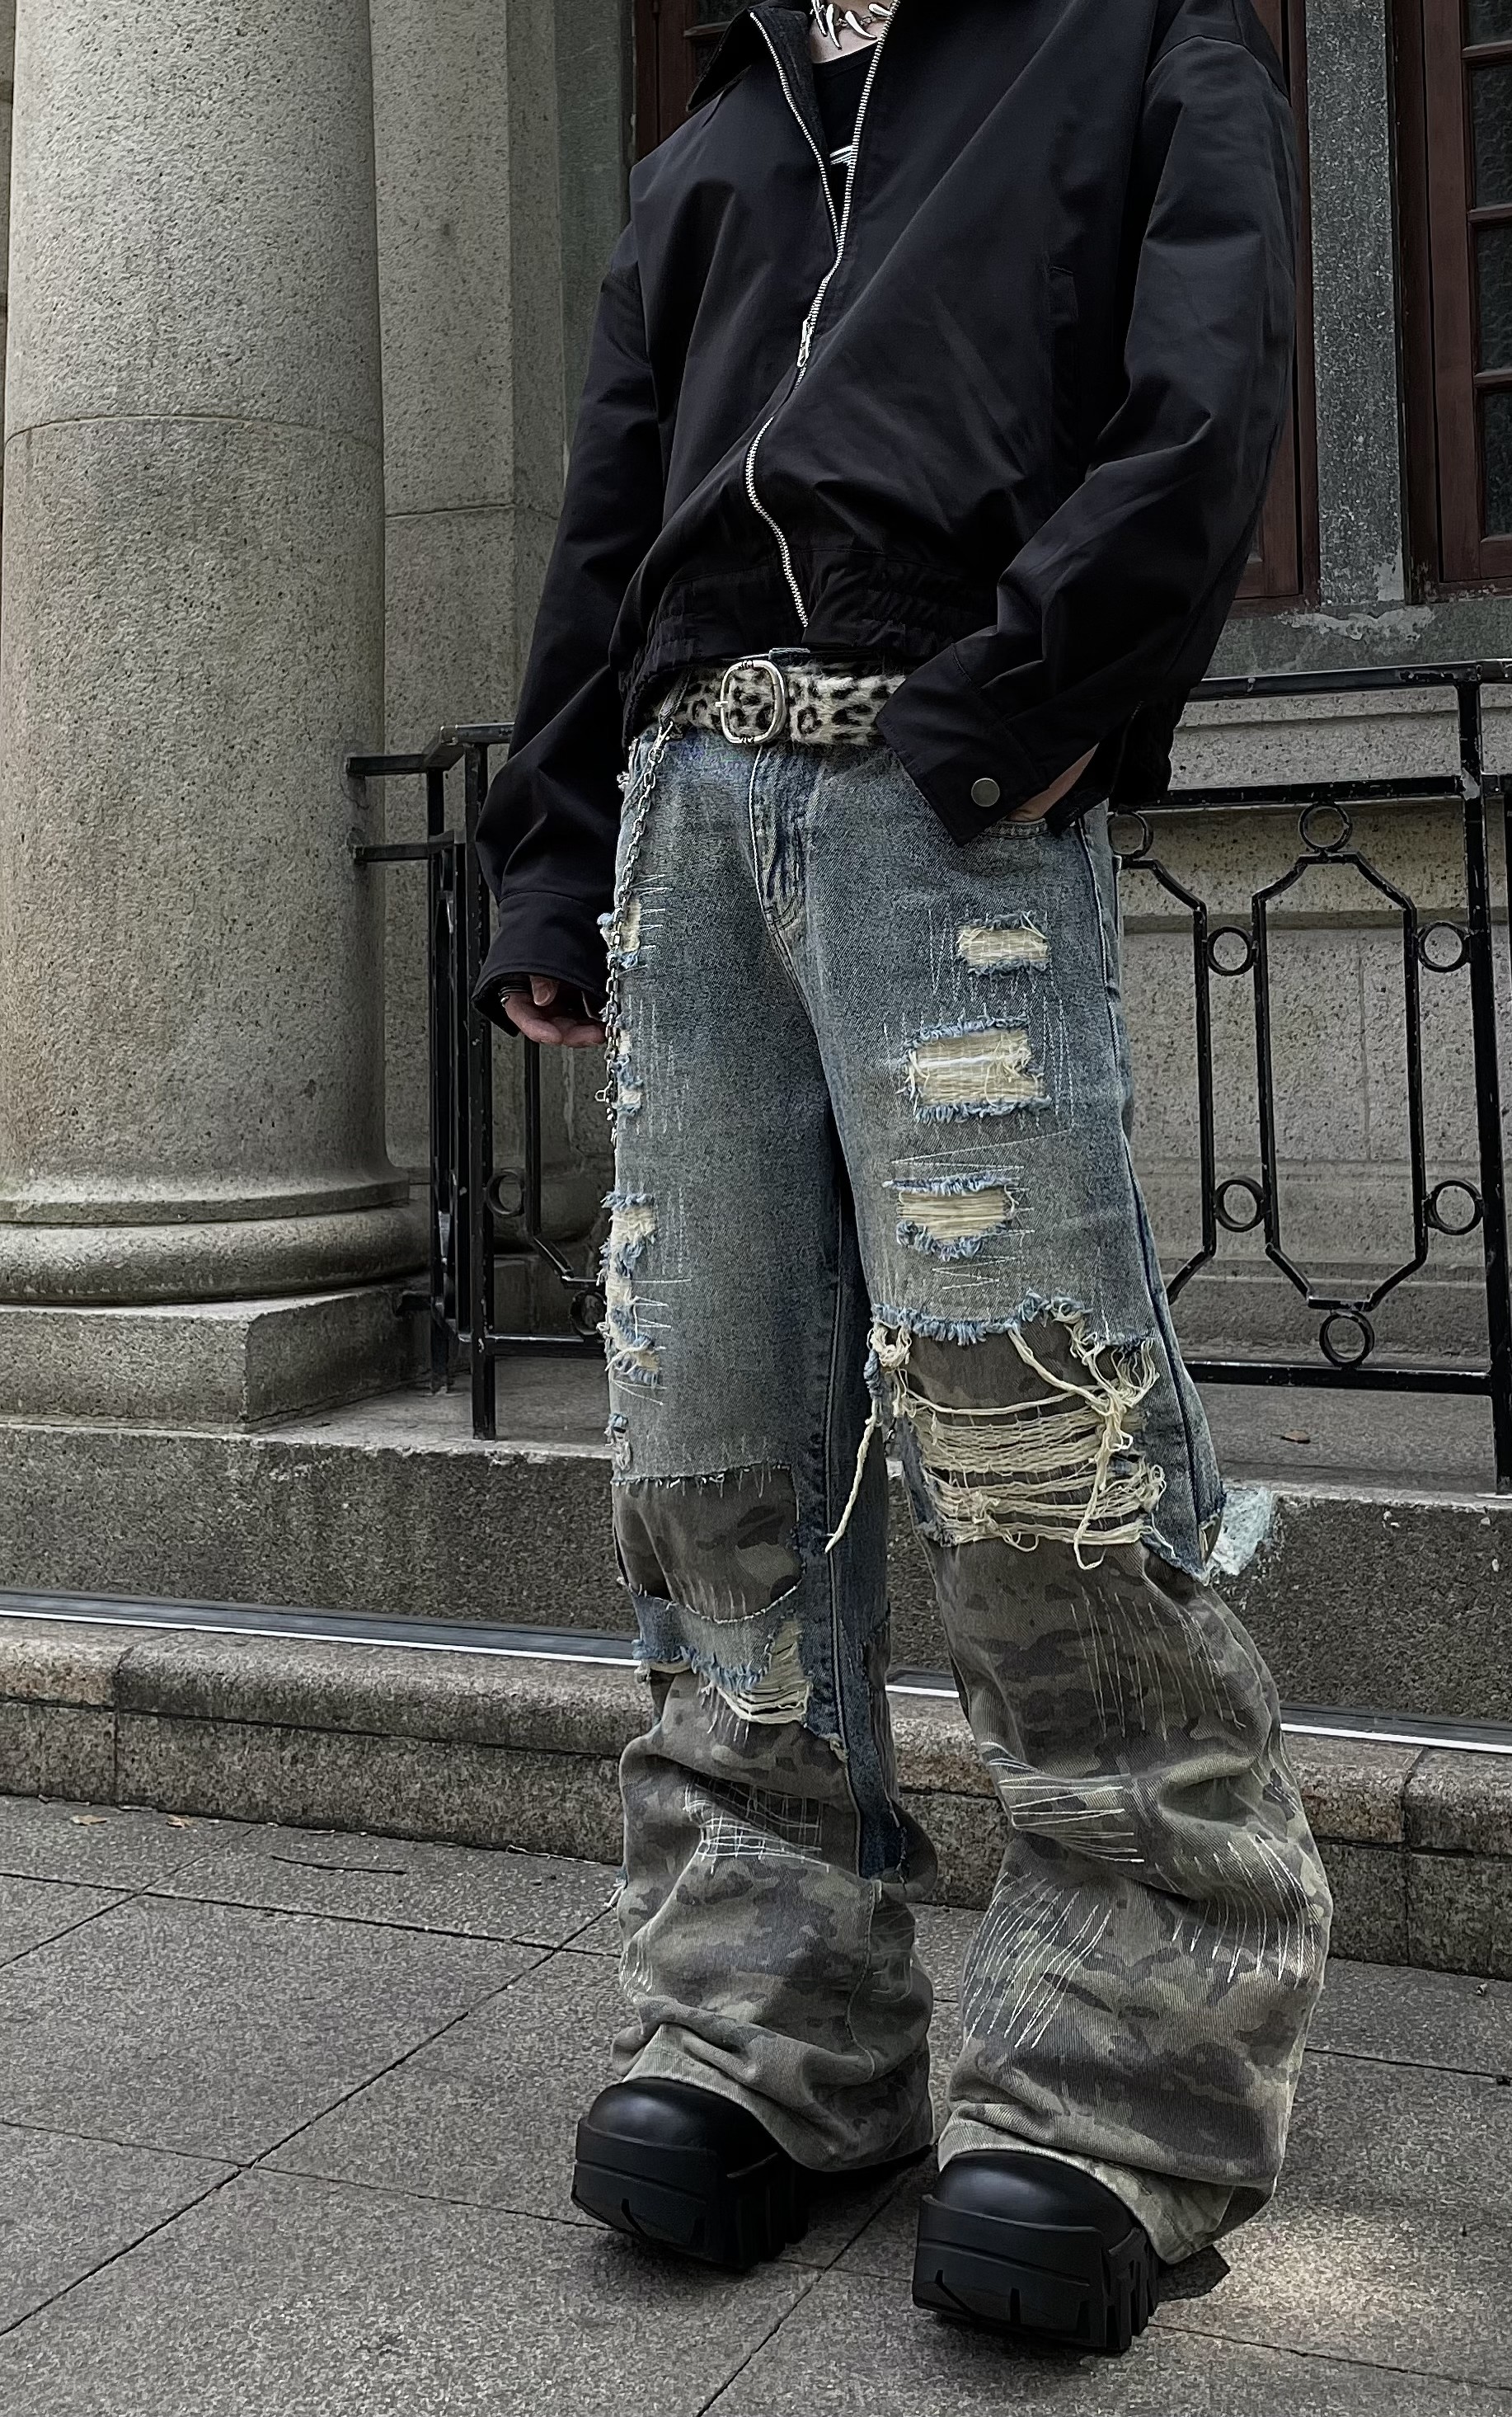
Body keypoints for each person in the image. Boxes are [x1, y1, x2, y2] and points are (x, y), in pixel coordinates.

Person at [476, 0, 1330, 2358]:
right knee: (714, 1458)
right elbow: (612, 516)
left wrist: (1022, 700)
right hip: (689, 822)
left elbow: (1205, 394)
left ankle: (1123, 2073)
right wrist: (553, 853)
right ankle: (771, 2029)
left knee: (1033, 1444)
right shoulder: (717, 135)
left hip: (936, 787)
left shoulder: (1138, 40)